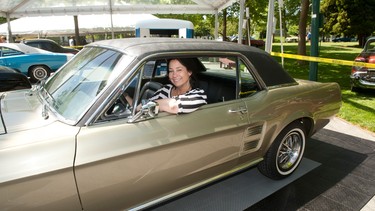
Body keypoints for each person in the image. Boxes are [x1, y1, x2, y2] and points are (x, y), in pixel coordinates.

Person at [124, 58, 207, 114]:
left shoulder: (198, 95)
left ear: (189, 72)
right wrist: (125, 96)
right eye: (171, 71)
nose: (174, 75)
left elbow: (173, 106)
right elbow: (142, 107)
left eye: (179, 70)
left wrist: (146, 106)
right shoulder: (165, 89)